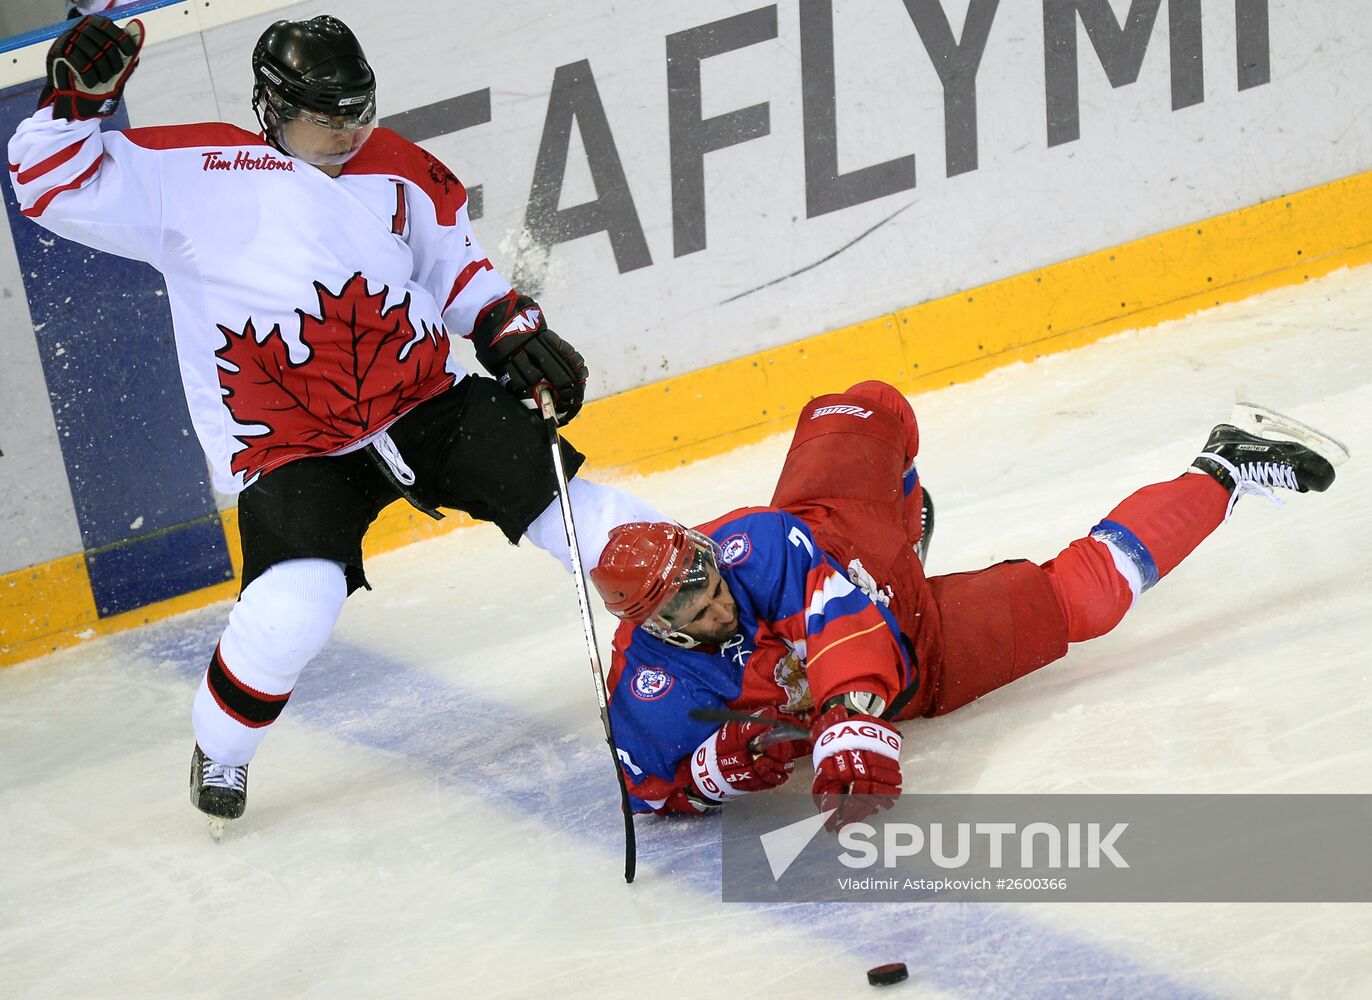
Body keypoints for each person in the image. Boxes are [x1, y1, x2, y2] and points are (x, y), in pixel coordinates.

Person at [8, 14, 663, 833]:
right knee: (294, 605)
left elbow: (453, 266)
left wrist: (506, 325)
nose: (351, 132)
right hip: (291, 448)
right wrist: (75, 109)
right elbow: (46, 186)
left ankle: (723, 598)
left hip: (424, 402)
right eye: (330, 116)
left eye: (362, 110)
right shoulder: (195, 171)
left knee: (571, 505)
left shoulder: (398, 168)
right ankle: (223, 747)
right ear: (272, 107)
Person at [589, 381, 1343, 827]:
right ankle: (1227, 468)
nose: (719, 604)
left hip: (845, 538)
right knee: (1087, 600)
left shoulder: (754, 545)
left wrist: (848, 717)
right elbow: (648, 793)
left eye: (711, 580)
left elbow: (834, 616)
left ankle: (902, 526)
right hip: (923, 660)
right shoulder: (645, 685)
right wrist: (711, 774)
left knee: (862, 407)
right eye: (695, 612)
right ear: (653, 625)